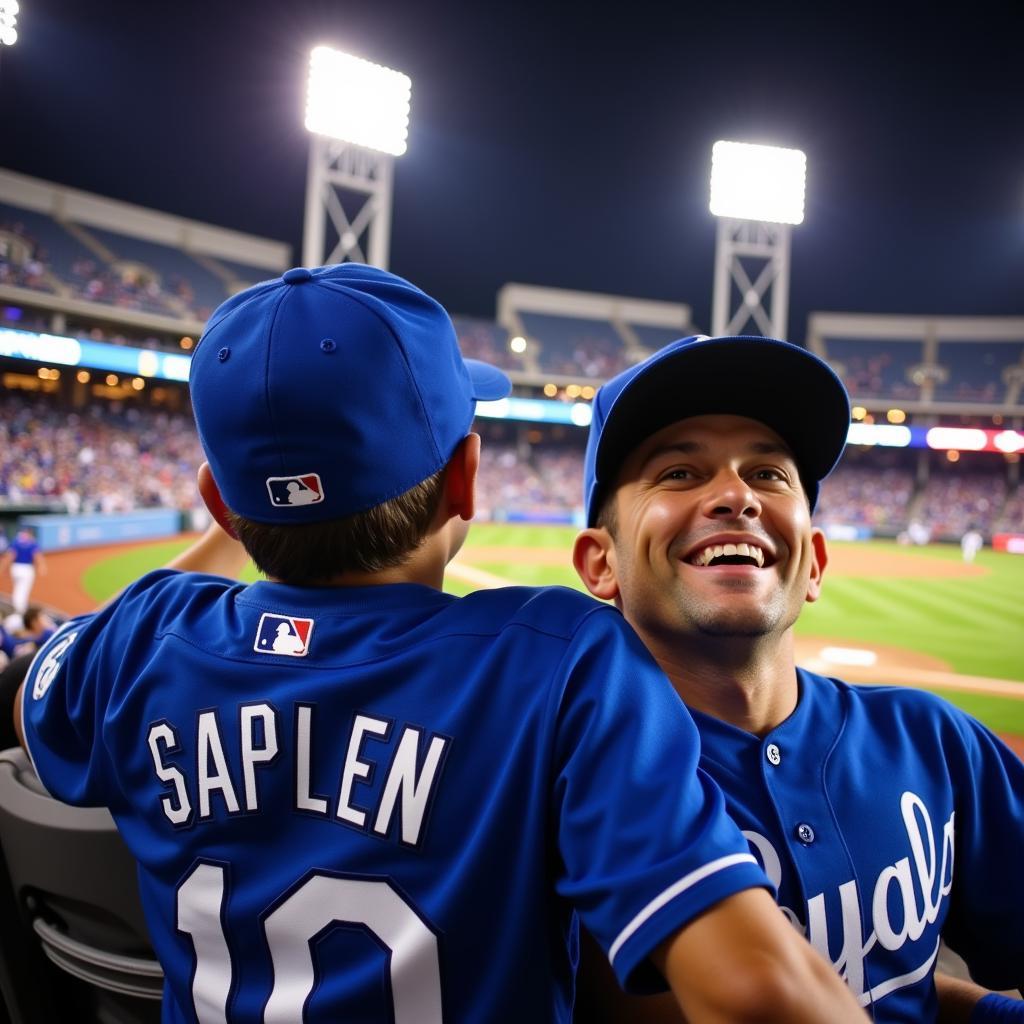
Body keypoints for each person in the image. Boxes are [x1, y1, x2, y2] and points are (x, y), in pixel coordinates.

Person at [13, 268, 864, 1024]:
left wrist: (251, 511)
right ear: (466, 476)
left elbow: (32, 688)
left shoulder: (140, 640)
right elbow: (756, 992)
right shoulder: (557, 661)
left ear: (218, 505)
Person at [572, 334, 1024, 1023]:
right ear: (600, 563)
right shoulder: (567, 786)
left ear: (813, 561)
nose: (735, 496)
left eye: (768, 474)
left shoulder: (934, 740)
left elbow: (907, 986)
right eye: (678, 474)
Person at [0, 526, 46, 618]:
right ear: (29, 533)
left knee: (17, 589)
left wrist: (3, 568)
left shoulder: (16, 542)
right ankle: (19, 612)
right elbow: (37, 556)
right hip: (27, 569)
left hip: (15, 568)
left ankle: (16, 609)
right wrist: (41, 567)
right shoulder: (32, 543)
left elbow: (10, 556)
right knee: (23, 591)